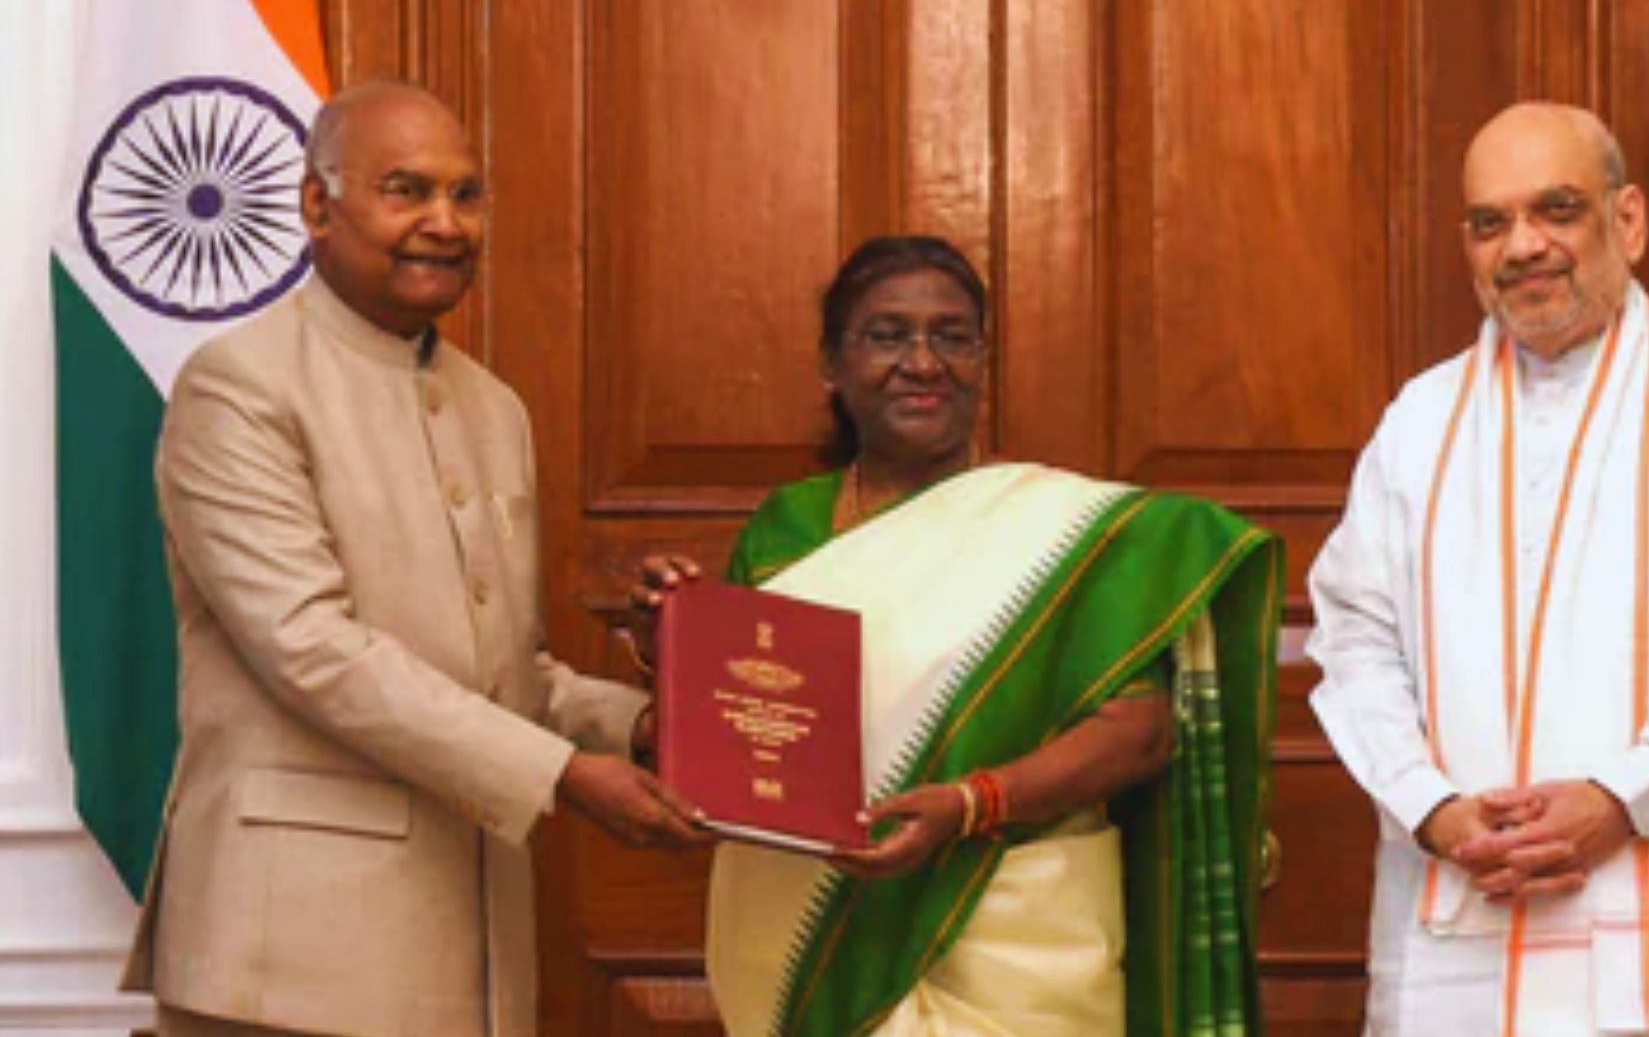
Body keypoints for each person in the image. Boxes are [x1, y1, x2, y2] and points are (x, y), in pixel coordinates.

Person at [121, 80, 706, 1037]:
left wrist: (648, 729)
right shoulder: (238, 388)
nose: (445, 223)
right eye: (407, 190)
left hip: (469, 950)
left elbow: (503, 675)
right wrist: (563, 774)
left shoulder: (493, 407)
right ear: (318, 204)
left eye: (467, 195)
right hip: (288, 955)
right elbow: (315, 649)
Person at [1307, 101, 1649, 1035]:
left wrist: (1625, 793)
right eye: (1491, 223)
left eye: (1556, 209)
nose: (1523, 246)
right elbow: (1353, 633)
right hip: (1467, 945)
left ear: (1629, 221)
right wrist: (1432, 806)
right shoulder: (1421, 418)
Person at [637, 235, 1281, 1035]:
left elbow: (1140, 735)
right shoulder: (787, 527)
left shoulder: (1055, 533)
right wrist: (675, 648)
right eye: (886, 335)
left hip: (1021, 923)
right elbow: (748, 737)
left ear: (981, 360)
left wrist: (972, 805)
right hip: (819, 923)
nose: (922, 361)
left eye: (952, 337)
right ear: (831, 365)